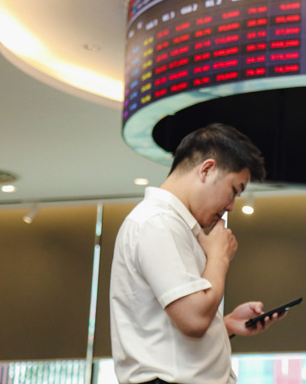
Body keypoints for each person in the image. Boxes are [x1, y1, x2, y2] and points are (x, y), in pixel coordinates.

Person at [110, 123, 283, 384]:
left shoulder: (174, 225)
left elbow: (167, 331)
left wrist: (224, 324)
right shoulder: (158, 222)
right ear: (207, 169)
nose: (231, 206)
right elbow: (193, 321)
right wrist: (219, 257)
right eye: (234, 190)